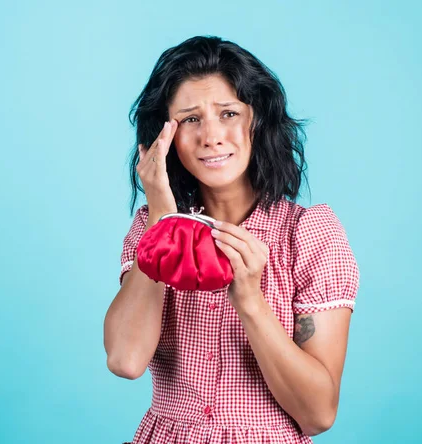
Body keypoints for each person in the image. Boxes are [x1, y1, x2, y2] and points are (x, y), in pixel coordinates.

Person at [103, 35, 360, 444]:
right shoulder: (150, 229)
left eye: (228, 114)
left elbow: (318, 413)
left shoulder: (309, 234)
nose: (211, 136)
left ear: (258, 122)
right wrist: (162, 223)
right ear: (163, 138)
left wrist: (250, 301)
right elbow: (126, 360)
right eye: (189, 119)